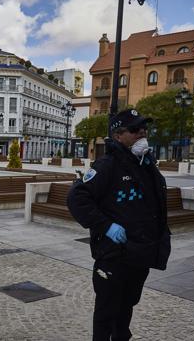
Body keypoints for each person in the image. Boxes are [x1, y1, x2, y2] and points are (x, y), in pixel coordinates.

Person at [67, 109, 171, 341]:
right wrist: (106, 226)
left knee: (127, 307)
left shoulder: (147, 164)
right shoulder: (107, 165)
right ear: (117, 136)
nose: (142, 133)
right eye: (135, 129)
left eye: (144, 128)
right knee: (106, 312)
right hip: (114, 255)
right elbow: (77, 198)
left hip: (139, 253)